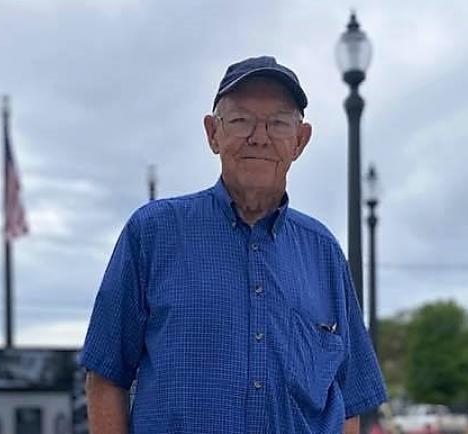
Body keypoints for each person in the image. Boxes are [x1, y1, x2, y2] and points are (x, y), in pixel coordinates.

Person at [80, 56, 387, 434]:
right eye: (241, 120)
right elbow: (106, 376)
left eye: (278, 123)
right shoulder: (152, 233)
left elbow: (347, 401)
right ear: (213, 133)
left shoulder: (323, 252)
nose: (259, 137)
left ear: (300, 140)